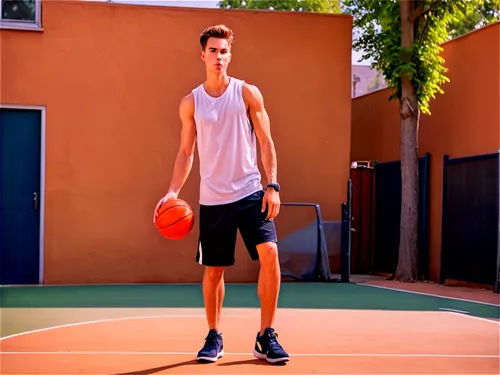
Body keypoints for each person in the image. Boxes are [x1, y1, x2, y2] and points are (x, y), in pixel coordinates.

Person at [153, 24, 289, 364]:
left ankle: (266, 335)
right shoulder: (191, 103)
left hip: (250, 192)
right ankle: (214, 335)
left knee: (270, 254)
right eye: (213, 50)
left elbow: (266, 140)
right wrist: (172, 192)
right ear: (203, 55)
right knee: (214, 270)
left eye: (224, 51)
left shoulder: (247, 94)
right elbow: (186, 153)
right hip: (213, 200)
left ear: (230, 55)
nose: (218, 56)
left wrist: (272, 185)